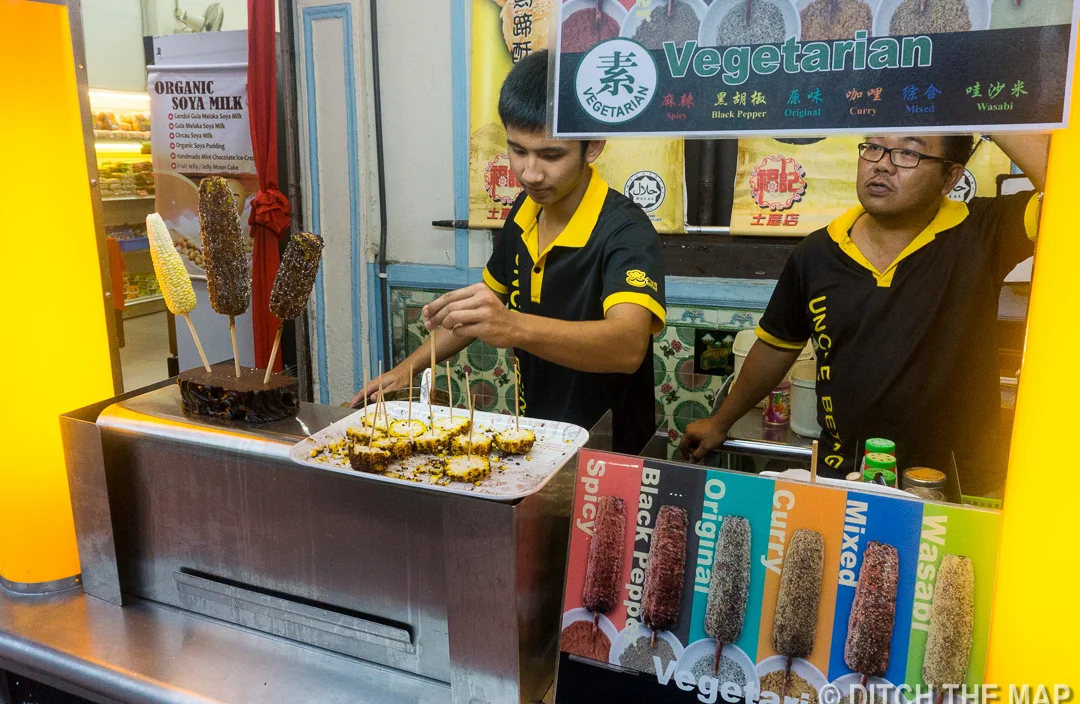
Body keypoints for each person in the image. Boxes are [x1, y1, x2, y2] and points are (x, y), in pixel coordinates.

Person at [681, 134, 1048, 496]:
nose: (882, 163)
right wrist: (721, 421)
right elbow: (778, 345)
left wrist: (994, 108)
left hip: (956, 483)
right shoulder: (817, 252)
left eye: (908, 152)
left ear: (950, 177)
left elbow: (1065, 186)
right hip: (844, 475)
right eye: (873, 147)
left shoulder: (982, 230)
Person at [353, 50, 666, 454]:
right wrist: (405, 370)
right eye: (518, 150)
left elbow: (627, 346)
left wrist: (514, 327)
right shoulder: (524, 211)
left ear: (593, 146)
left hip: (610, 452)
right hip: (540, 438)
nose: (531, 173)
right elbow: (486, 307)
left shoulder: (625, 230)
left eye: (551, 155)